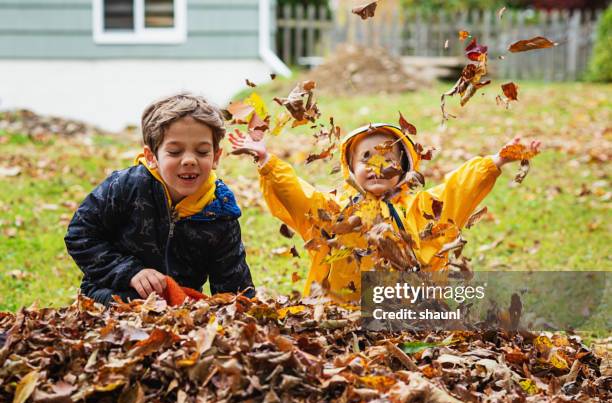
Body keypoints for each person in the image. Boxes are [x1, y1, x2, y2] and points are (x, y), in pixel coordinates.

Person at [230, 123, 536, 301]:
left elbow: (458, 189)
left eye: (388, 157)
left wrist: (497, 161)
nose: (377, 166)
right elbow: (297, 194)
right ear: (350, 168)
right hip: (340, 310)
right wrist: (267, 161)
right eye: (366, 158)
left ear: (402, 168)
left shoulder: (420, 209)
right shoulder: (334, 209)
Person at [65, 94, 254, 307]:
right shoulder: (127, 186)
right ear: (151, 156)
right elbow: (80, 234)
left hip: (177, 303)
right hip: (110, 292)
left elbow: (234, 287)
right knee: (132, 304)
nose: (190, 160)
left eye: (202, 152)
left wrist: (241, 315)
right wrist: (129, 272)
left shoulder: (220, 211)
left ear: (216, 157)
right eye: (174, 152)